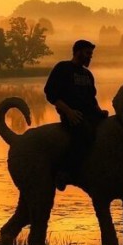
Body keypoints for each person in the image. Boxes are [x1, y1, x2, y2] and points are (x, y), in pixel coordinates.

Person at [44, 39, 108, 191]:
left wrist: (100, 113)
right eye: (87, 53)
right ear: (78, 52)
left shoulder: (87, 74)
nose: (89, 57)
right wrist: (68, 112)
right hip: (72, 115)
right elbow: (50, 93)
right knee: (85, 133)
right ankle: (64, 171)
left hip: (90, 114)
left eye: (91, 54)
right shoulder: (63, 68)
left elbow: (92, 99)